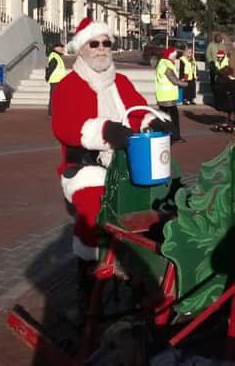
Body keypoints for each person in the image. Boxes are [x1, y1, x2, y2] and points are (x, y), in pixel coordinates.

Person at [51, 17, 173, 323]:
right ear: (82, 48)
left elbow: (136, 109)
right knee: (93, 206)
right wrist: (105, 131)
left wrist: (151, 121)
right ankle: (88, 284)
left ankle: (143, 267)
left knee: (159, 198)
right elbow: (65, 127)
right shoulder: (68, 85)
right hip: (84, 166)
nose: (102, 49)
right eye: (95, 43)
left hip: (124, 162)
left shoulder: (120, 81)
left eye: (106, 42)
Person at [155, 47, 188, 143]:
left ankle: (162, 135)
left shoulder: (162, 63)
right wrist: (186, 84)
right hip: (167, 96)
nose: (175, 58)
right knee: (173, 117)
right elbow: (173, 80)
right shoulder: (166, 65)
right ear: (170, 56)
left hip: (163, 95)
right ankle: (175, 136)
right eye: (174, 56)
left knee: (162, 116)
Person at [46, 43, 66, 117]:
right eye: (61, 48)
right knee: (54, 97)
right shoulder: (54, 57)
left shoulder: (57, 56)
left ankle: (54, 112)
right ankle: (52, 113)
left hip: (58, 80)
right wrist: (47, 77)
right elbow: (50, 68)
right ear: (56, 48)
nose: (62, 49)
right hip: (55, 80)